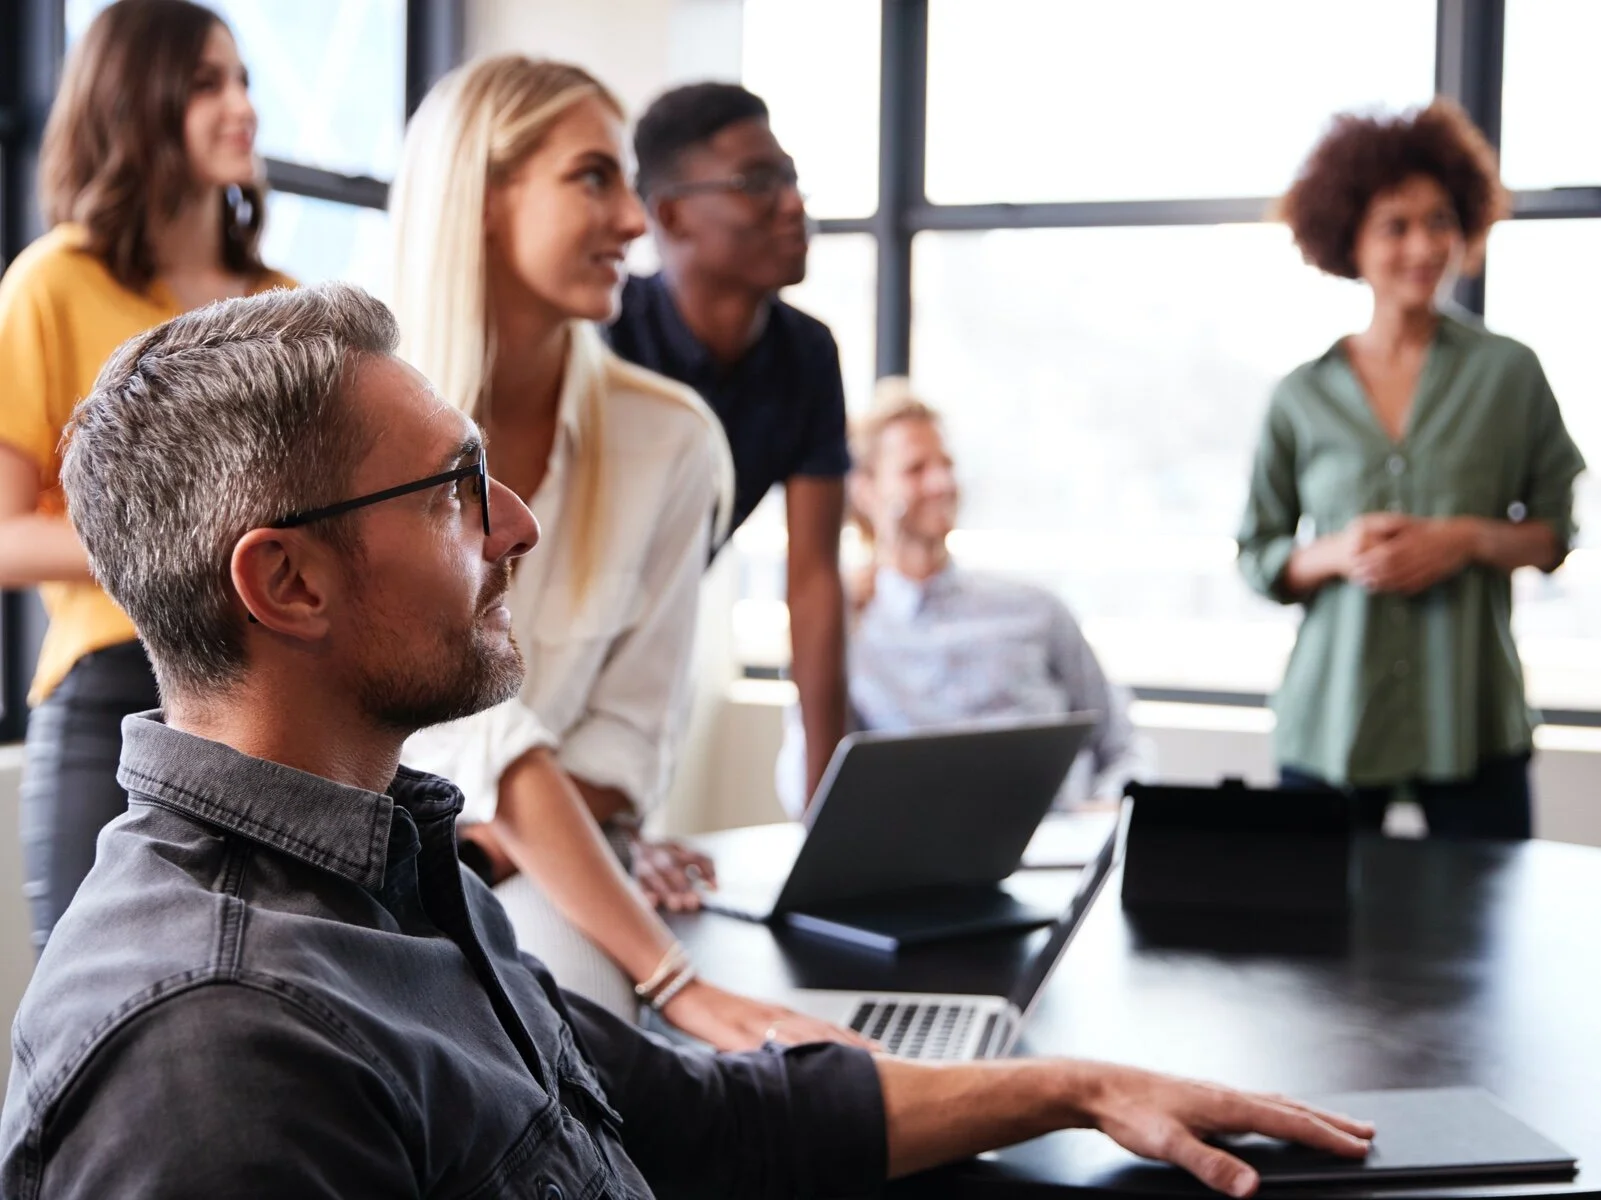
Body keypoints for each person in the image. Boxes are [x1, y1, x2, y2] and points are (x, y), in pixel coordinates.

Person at [0, 282, 1374, 1197]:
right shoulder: (217, 1053)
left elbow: (709, 1118)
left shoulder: (405, 880)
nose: (518, 525)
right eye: (454, 492)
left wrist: (1078, 1089)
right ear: (286, 583)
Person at [388, 55, 852, 1049]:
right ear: (482, 193)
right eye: (591, 178)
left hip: (533, 861)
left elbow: (625, 744)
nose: (635, 222)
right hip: (356, 847)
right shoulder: (349, 420)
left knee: (585, 1035)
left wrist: (513, 833)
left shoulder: (674, 440)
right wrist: (676, 978)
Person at [0, 0, 294, 952]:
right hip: (108, 692)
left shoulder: (283, 307)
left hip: (271, 701)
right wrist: (194, 533)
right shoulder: (53, 284)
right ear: (137, 102)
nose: (241, 106)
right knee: (91, 1023)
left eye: (242, 79)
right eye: (207, 83)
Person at [1238, 100, 1586, 839]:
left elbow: (1555, 533)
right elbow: (1257, 555)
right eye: (1395, 225)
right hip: (1330, 719)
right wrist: (1337, 550)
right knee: (1311, 946)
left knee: (1483, 944)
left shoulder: (1509, 375)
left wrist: (1465, 539)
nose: (1423, 246)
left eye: (1439, 222)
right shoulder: (1300, 396)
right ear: (1349, 241)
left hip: (1470, 715)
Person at [607, 82, 848, 802]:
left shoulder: (807, 354)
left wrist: (822, 804)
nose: (793, 204)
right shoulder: (604, 339)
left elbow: (811, 584)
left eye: (791, 177)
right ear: (672, 213)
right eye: (757, 182)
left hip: (655, 655)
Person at [777, 380, 1150, 815]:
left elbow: (1123, 744)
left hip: (1057, 849)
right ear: (864, 490)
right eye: (916, 469)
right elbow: (803, 793)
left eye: (946, 464)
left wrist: (1112, 807)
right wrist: (829, 625)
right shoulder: (848, 632)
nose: (941, 483)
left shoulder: (1036, 612)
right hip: (917, 860)